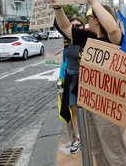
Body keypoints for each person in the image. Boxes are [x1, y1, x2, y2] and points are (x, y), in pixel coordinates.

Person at [48, 0, 126, 166]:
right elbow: (65, 27)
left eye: (89, 17)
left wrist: (93, 1)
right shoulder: (87, 37)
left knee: (114, 153)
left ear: (98, 20)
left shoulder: (114, 40)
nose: (87, 21)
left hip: (109, 105)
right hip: (89, 102)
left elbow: (114, 30)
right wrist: (57, 7)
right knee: (98, 150)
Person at [55, 16, 85, 154]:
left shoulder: (89, 39)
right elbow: (58, 24)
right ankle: (80, 139)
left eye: (78, 25)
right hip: (71, 79)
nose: (75, 28)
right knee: (74, 110)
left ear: (83, 26)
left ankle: (90, 139)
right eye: (72, 26)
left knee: (87, 112)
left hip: (86, 80)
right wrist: (55, 7)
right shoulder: (69, 40)